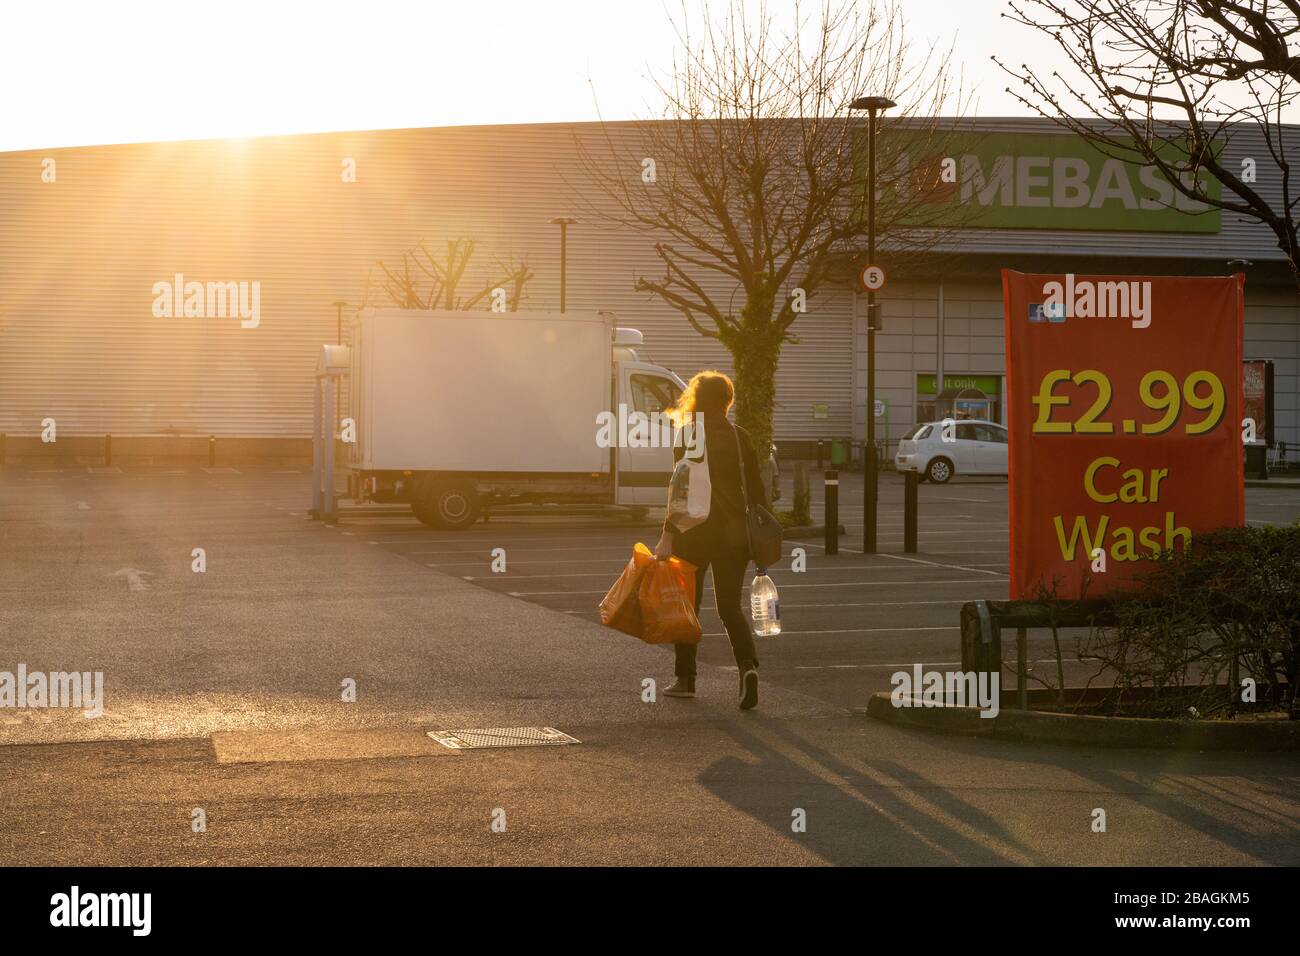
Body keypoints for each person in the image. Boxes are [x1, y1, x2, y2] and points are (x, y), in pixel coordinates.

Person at [653, 371, 766, 710]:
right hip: (734, 535)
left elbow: (680, 490)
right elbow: (757, 491)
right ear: (727, 402)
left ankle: (686, 679)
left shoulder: (689, 435)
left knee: (688, 606)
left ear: (697, 400)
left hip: (694, 533)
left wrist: (666, 536)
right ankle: (747, 668)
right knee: (730, 607)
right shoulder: (739, 437)